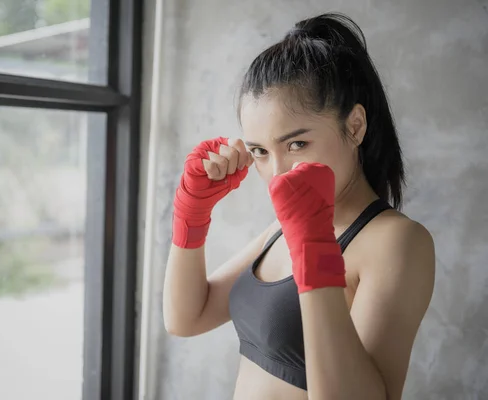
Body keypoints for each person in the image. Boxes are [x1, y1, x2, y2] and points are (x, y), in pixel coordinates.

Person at [162, 12, 436, 400]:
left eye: (297, 145)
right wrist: (191, 215)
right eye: (259, 151)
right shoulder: (281, 228)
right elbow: (186, 318)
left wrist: (314, 248)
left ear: (355, 126)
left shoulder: (397, 241)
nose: (277, 174)